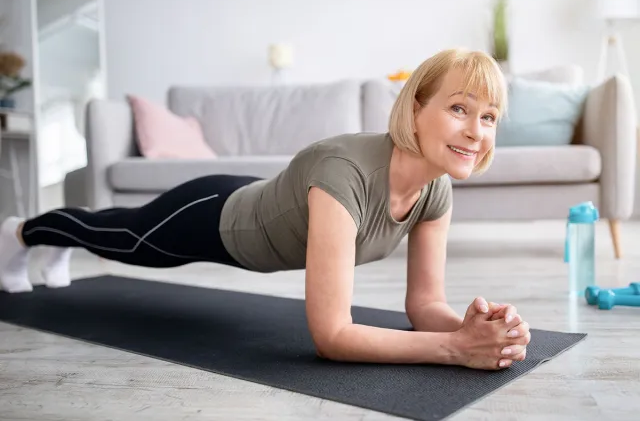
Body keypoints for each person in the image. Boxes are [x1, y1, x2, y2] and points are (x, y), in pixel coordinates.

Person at [0, 48, 530, 370]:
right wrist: (456, 350)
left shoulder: (436, 188)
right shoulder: (344, 171)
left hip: (256, 202)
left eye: (488, 117)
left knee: (111, 233)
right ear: (416, 109)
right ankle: (22, 233)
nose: (474, 131)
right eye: (458, 108)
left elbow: (424, 307)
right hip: (213, 216)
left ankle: (49, 250)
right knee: (117, 236)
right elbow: (332, 336)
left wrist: (476, 328)